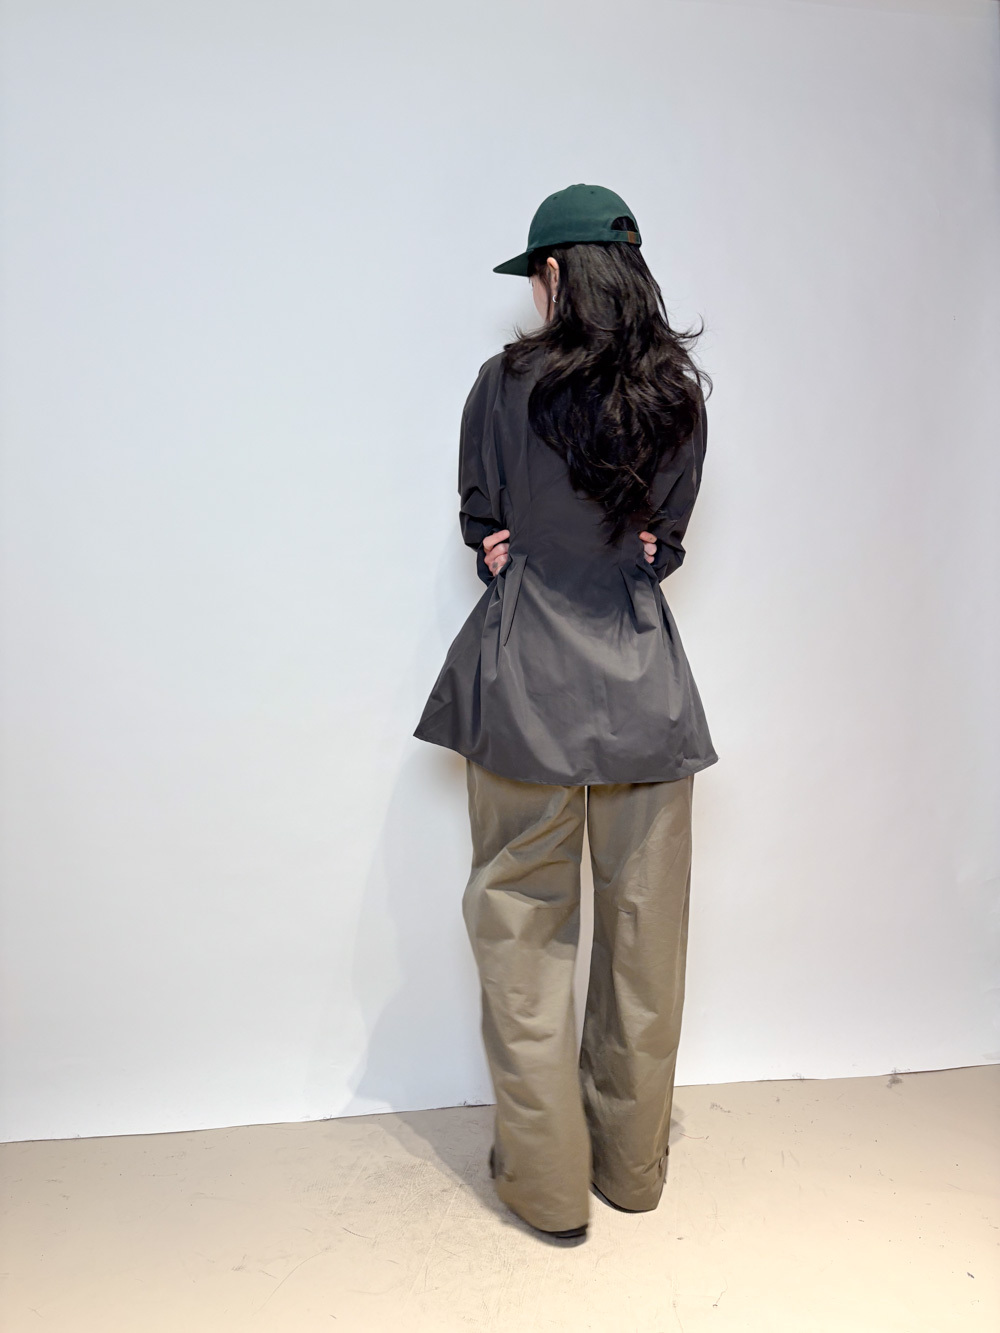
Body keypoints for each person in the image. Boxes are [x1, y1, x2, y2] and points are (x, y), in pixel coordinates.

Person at [413, 183, 718, 1242]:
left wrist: (501, 547)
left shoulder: (502, 385)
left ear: (554, 273)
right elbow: (660, 542)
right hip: (643, 689)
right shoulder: (677, 393)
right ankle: (631, 1169)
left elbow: (484, 520)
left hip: (525, 686)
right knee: (645, 938)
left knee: (521, 928)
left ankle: (545, 1186)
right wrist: (627, 549)